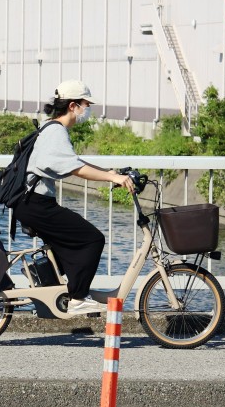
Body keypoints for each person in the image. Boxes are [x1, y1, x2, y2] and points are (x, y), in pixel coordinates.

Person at [14, 80, 136, 316]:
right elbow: (76, 169)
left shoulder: (51, 127)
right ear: (72, 106)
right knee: (92, 239)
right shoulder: (56, 131)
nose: (87, 109)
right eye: (85, 104)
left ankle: (65, 291)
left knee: (72, 244)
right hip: (35, 205)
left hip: (32, 204)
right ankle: (78, 298)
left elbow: (74, 162)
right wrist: (113, 179)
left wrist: (107, 172)